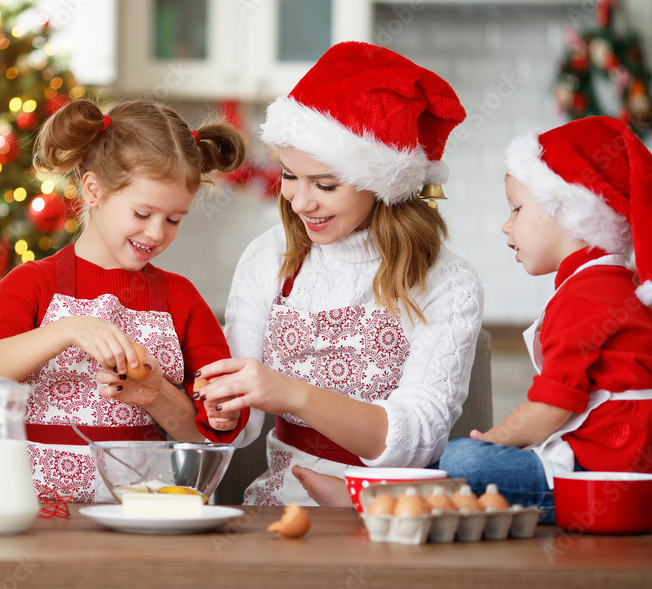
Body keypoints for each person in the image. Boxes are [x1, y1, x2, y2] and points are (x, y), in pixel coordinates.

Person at [193, 42, 484, 506]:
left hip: (390, 509)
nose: (300, 202)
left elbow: (419, 438)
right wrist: (220, 410)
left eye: (325, 185)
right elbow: (240, 423)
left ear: (381, 183)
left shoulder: (446, 280)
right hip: (280, 505)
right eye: (289, 176)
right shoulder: (268, 257)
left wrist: (292, 394)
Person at [0, 98, 250, 502]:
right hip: (27, 511)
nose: (156, 233)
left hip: (139, 516)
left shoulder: (181, 298)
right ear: (93, 190)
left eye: (173, 220)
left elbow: (207, 436)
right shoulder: (33, 283)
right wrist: (71, 328)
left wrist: (158, 394)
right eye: (142, 213)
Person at [440, 115, 652, 523]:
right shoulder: (617, 284)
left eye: (517, 208)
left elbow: (550, 408)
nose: (507, 225)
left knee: (460, 457)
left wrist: (492, 441)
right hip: (648, 486)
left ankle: (378, 493)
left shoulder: (584, 294)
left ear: (568, 210)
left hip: (602, 480)